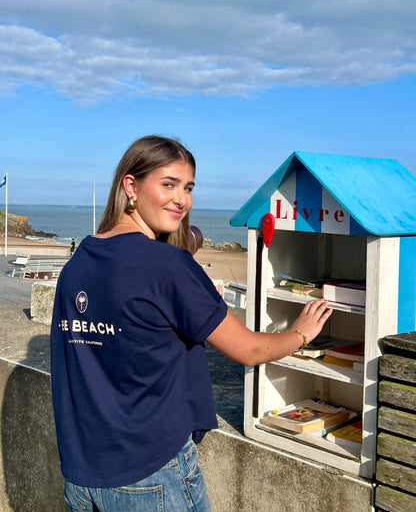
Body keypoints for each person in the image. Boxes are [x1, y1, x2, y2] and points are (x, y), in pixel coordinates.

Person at [50, 135, 332, 511]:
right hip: (150, 472)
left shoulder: (80, 260)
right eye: (168, 185)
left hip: (82, 473)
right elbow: (248, 350)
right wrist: (300, 333)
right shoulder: (167, 267)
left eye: (188, 187)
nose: (182, 199)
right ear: (131, 186)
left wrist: (183, 246)